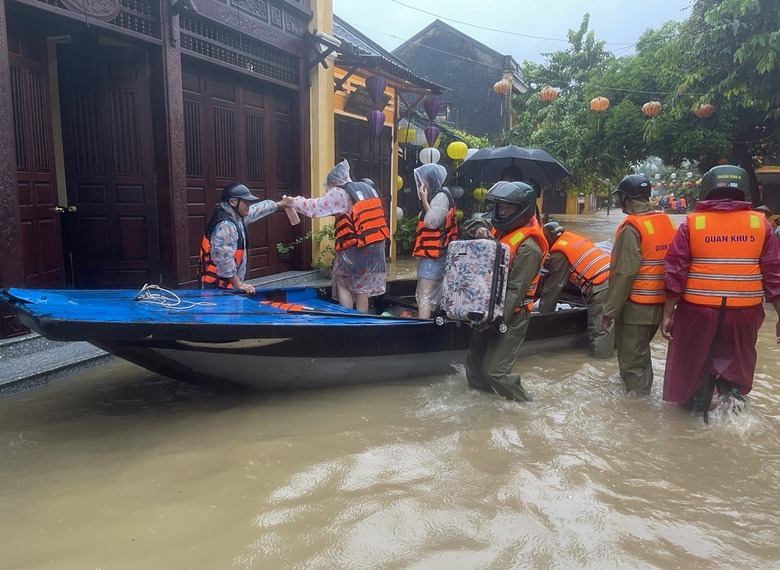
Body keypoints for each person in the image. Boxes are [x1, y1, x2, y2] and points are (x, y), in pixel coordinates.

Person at [661, 165, 780, 417]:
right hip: (744, 315)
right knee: (736, 372)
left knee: (695, 371)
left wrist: (667, 314)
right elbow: (775, 276)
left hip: (698, 315)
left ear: (707, 190)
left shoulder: (693, 224)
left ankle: (695, 417)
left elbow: (675, 273)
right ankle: (732, 417)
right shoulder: (761, 224)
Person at [461, 181, 548, 402]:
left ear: (523, 209)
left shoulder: (530, 245)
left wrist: (494, 320)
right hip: (486, 305)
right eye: (500, 207)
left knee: (495, 371)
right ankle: (482, 405)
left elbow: (515, 290)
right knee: (474, 365)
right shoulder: (499, 228)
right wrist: (479, 229)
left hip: (513, 313)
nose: (502, 211)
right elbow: (470, 225)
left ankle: (526, 404)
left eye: (508, 208)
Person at [281, 160, 390, 313]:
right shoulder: (367, 188)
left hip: (355, 247)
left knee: (342, 282)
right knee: (361, 287)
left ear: (334, 181)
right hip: (375, 246)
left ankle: (348, 319)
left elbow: (315, 207)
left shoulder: (340, 192)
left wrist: (294, 202)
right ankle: (362, 322)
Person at [601, 174, 676, 393]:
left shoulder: (632, 228)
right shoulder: (666, 221)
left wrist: (609, 311)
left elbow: (624, 273)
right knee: (641, 356)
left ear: (625, 198)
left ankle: (638, 411)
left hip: (636, 309)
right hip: (662, 306)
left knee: (633, 364)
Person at [539, 222, 614, 359]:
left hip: (602, 285)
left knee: (599, 331)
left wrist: (543, 313)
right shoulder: (574, 238)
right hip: (615, 278)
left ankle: (601, 368)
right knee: (611, 325)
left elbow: (554, 286)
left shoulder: (559, 252)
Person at [198, 183, 284, 294]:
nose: (248, 205)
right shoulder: (225, 226)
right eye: (245, 202)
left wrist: (280, 204)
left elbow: (255, 211)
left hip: (227, 286)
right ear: (232, 202)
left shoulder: (236, 217)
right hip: (217, 288)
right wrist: (239, 284)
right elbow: (224, 261)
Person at [411, 163, 458, 319]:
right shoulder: (438, 196)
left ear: (429, 181)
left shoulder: (440, 197)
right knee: (430, 297)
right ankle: (431, 328)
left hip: (434, 257)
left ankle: (421, 333)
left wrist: (424, 200)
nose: (419, 185)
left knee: (424, 296)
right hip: (434, 255)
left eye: (421, 181)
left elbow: (432, 222)